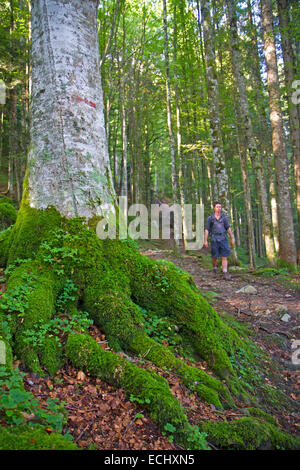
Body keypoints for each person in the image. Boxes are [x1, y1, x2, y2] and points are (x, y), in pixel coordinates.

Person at [203, 201, 235, 280]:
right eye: (217, 207)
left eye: (220, 207)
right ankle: (214, 268)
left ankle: (225, 272)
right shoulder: (210, 218)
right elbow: (207, 229)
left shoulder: (224, 217)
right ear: (214, 208)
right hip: (214, 239)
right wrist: (205, 240)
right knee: (215, 256)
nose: (219, 208)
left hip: (223, 238)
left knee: (224, 256)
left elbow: (228, 228)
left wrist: (232, 238)